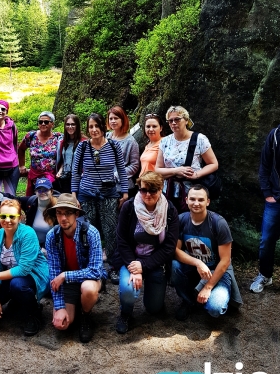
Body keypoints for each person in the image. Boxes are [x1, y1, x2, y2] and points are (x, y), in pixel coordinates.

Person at [111, 171, 179, 334]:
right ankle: (125, 313)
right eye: (143, 190)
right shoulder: (129, 207)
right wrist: (134, 267)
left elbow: (169, 247)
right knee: (129, 291)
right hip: (131, 260)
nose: (147, 194)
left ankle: (155, 297)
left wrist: (144, 265)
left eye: (153, 190)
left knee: (154, 309)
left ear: (161, 189)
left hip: (155, 262)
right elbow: (121, 240)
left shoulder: (170, 211)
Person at [171, 185, 243, 320]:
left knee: (215, 308)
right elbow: (175, 251)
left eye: (201, 200)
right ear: (186, 200)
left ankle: (208, 297)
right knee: (174, 265)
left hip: (218, 272)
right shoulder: (181, 220)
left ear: (208, 202)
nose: (196, 203)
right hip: (194, 269)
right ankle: (188, 301)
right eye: (192, 199)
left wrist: (208, 287)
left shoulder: (218, 223)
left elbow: (226, 260)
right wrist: (198, 263)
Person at [71, 113, 127, 281]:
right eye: (91, 126)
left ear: (103, 127)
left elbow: (121, 169)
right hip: (86, 194)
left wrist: (124, 192)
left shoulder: (114, 146)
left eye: (97, 126)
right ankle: (91, 266)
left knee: (111, 232)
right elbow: (75, 172)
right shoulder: (82, 147)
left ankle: (114, 267)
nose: (94, 129)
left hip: (108, 194)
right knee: (88, 231)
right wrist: (74, 195)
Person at [45, 193, 104, 343]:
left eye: (68, 213)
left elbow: (96, 270)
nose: (63, 218)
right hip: (67, 284)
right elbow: (54, 273)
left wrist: (65, 275)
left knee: (88, 288)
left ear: (76, 214)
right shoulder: (52, 236)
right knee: (62, 324)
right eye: (59, 213)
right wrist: (59, 307)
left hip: (88, 280)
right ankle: (75, 304)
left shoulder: (91, 233)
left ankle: (86, 315)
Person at [0, 199, 50, 336]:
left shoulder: (28, 233)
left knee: (18, 285)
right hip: (11, 274)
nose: (7, 220)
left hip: (34, 274)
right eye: (3, 216)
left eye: (12, 216)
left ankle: (34, 313)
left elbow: (24, 269)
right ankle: (17, 300)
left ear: (20, 218)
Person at [155, 105, 219, 211]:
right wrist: (176, 171)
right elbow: (157, 169)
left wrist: (197, 174)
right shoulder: (165, 141)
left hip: (192, 192)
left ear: (186, 120)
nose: (173, 123)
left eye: (177, 119)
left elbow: (213, 164)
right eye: (170, 121)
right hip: (169, 190)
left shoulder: (199, 139)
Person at [252, 123, 280, 292]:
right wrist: (267, 193)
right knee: (267, 240)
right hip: (276, 199)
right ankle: (265, 275)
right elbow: (265, 165)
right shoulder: (275, 134)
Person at [18, 111, 63, 196]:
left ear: (52, 124)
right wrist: (22, 165)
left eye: (46, 122)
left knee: (49, 200)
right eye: (40, 122)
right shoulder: (31, 136)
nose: (43, 124)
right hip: (34, 176)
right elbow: (21, 149)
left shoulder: (58, 138)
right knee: (33, 200)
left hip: (51, 177)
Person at [106, 106, 140, 197]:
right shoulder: (106, 137)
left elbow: (134, 166)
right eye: (111, 119)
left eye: (116, 118)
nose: (113, 121)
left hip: (122, 188)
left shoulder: (131, 141)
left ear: (123, 120)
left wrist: (116, 175)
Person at [19, 177, 58, 249]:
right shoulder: (31, 202)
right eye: (39, 190)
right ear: (35, 192)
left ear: (52, 191)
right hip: (31, 246)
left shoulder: (58, 207)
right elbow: (13, 198)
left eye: (45, 189)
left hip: (50, 248)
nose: (42, 192)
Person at [55, 114, 87, 194]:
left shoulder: (84, 142)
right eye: (68, 124)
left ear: (77, 126)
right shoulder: (63, 142)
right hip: (65, 178)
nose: (70, 127)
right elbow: (64, 160)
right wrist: (60, 170)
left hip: (79, 179)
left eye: (73, 124)